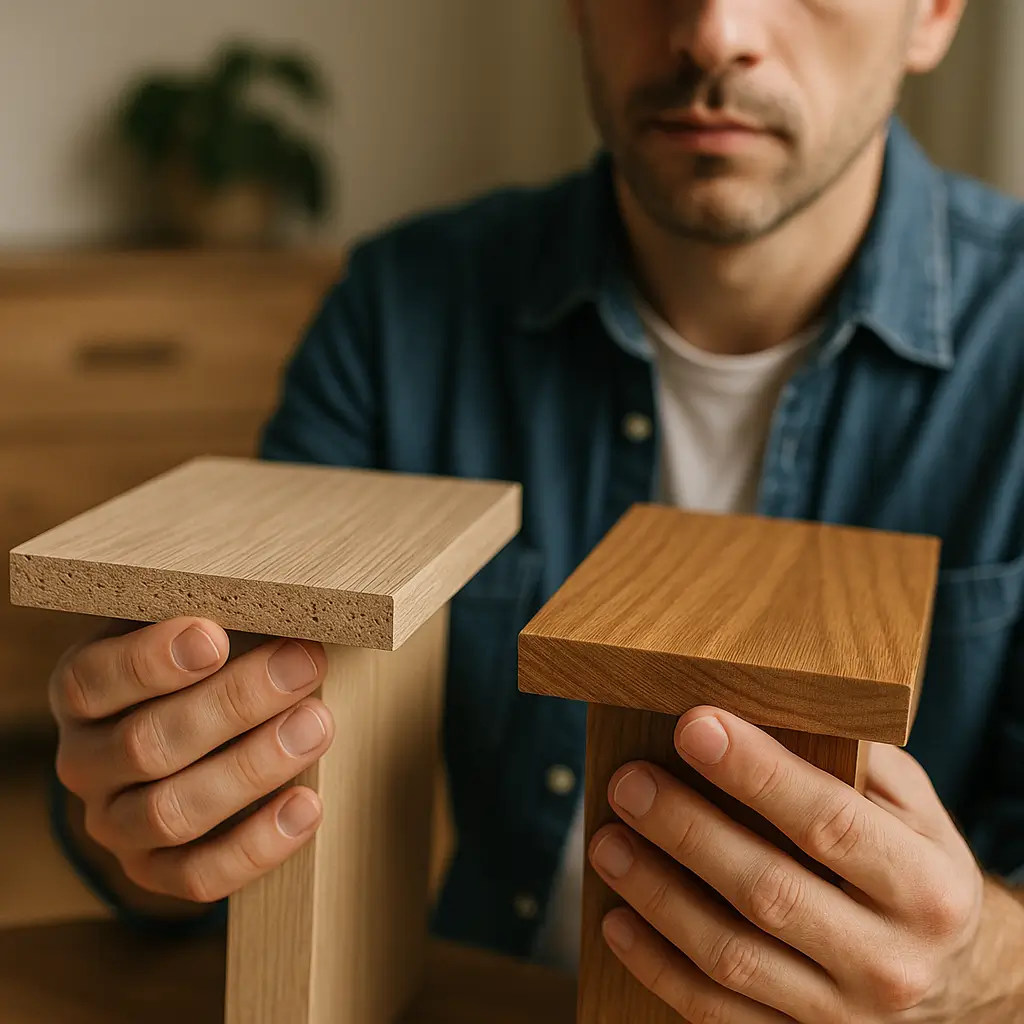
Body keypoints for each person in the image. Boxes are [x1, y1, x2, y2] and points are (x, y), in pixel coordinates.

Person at [48, 1, 1024, 1020]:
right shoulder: (400, 309)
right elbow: (205, 840)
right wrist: (142, 818)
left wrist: (980, 969)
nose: (712, 30)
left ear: (934, 14)